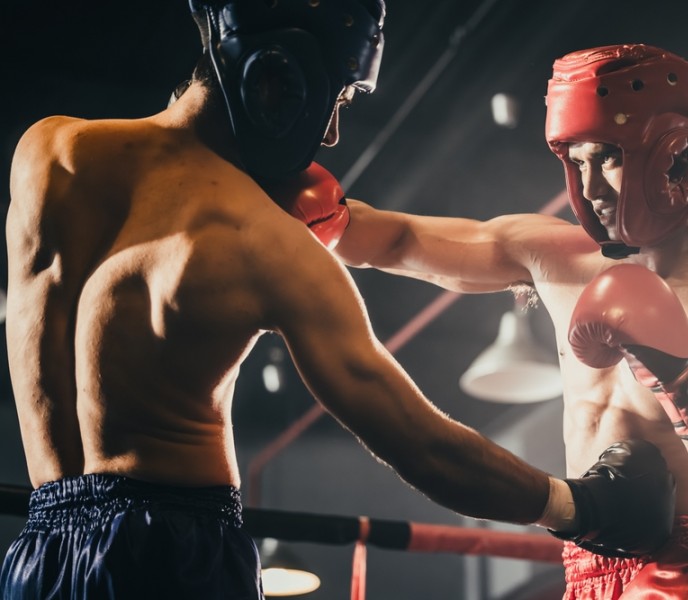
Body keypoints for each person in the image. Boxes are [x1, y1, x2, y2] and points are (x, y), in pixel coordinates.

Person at [0, 4, 653, 598]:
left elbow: (391, 236)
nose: (334, 132)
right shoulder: (264, 244)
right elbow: (418, 444)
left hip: (40, 552)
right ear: (276, 82)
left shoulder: (51, 152)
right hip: (174, 553)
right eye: (337, 97)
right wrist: (582, 507)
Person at [334, 44, 688, 599]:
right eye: (576, 162)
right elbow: (395, 239)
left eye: (608, 157)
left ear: (679, 156)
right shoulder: (553, 254)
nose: (589, 188)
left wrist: (686, 389)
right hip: (583, 561)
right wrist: (300, 200)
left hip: (685, 573)